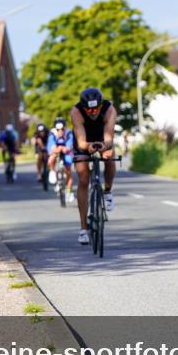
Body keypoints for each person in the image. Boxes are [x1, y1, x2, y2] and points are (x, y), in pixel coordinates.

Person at [70, 87, 118, 245]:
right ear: (83, 107)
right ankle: (84, 228)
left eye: (96, 109)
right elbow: (81, 141)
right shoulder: (76, 112)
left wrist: (105, 147)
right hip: (84, 139)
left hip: (102, 136)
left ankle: (108, 191)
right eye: (88, 109)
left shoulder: (109, 109)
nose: (92, 112)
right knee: (83, 177)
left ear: (100, 105)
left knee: (110, 159)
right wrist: (88, 147)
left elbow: (109, 137)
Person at [47, 117, 75, 203]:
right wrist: (56, 149)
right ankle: (52, 171)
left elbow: (68, 146)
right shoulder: (52, 133)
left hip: (66, 151)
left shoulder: (69, 133)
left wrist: (64, 148)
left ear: (65, 128)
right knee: (51, 159)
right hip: (56, 150)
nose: (60, 131)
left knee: (68, 171)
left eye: (62, 129)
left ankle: (69, 191)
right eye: (58, 129)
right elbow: (52, 147)